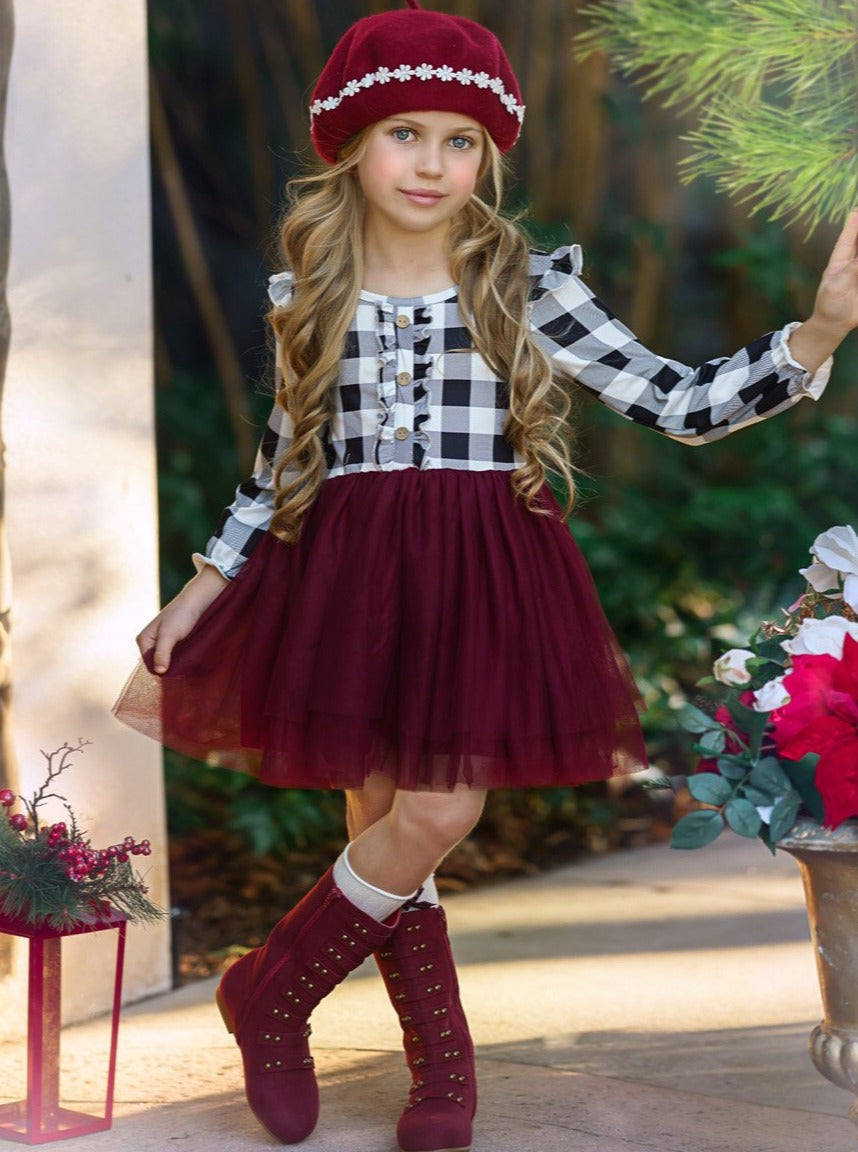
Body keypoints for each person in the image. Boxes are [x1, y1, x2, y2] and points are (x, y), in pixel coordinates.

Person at [114, 2, 858, 1149]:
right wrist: (206, 583)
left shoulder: (525, 283)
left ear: (487, 157)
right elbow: (281, 463)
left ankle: (271, 992)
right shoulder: (308, 291)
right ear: (352, 144)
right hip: (345, 574)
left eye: (459, 140)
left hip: (476, 573)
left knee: (438, 807)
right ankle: (440, 1066)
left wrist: (815, 333)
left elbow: (677, 402)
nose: (432, 162)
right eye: (405, 133)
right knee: (380, 813)